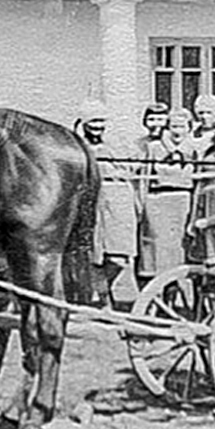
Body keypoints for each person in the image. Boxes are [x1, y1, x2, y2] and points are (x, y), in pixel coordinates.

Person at [77, 111, 140, 307]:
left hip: (120, 197)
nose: (97, 127)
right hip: (93, 199)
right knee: (95, 255)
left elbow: (136, 165)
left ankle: (105, 288)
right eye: (92, 122)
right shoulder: (80, 145)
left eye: (100, 121)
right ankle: (104, 298)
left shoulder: (120, 143)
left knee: (120, 254)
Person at [134, 102, 193, 282]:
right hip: (157, 199)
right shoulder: (154, 148)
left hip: (181, 199)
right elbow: (144, 177)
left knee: (176, 245)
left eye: (181, 126)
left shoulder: (194, 148)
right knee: (154, 243)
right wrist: (141, 203)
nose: (177, 130)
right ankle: (151, 287)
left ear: (189, 128)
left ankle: (173, 287)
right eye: (173, 126)